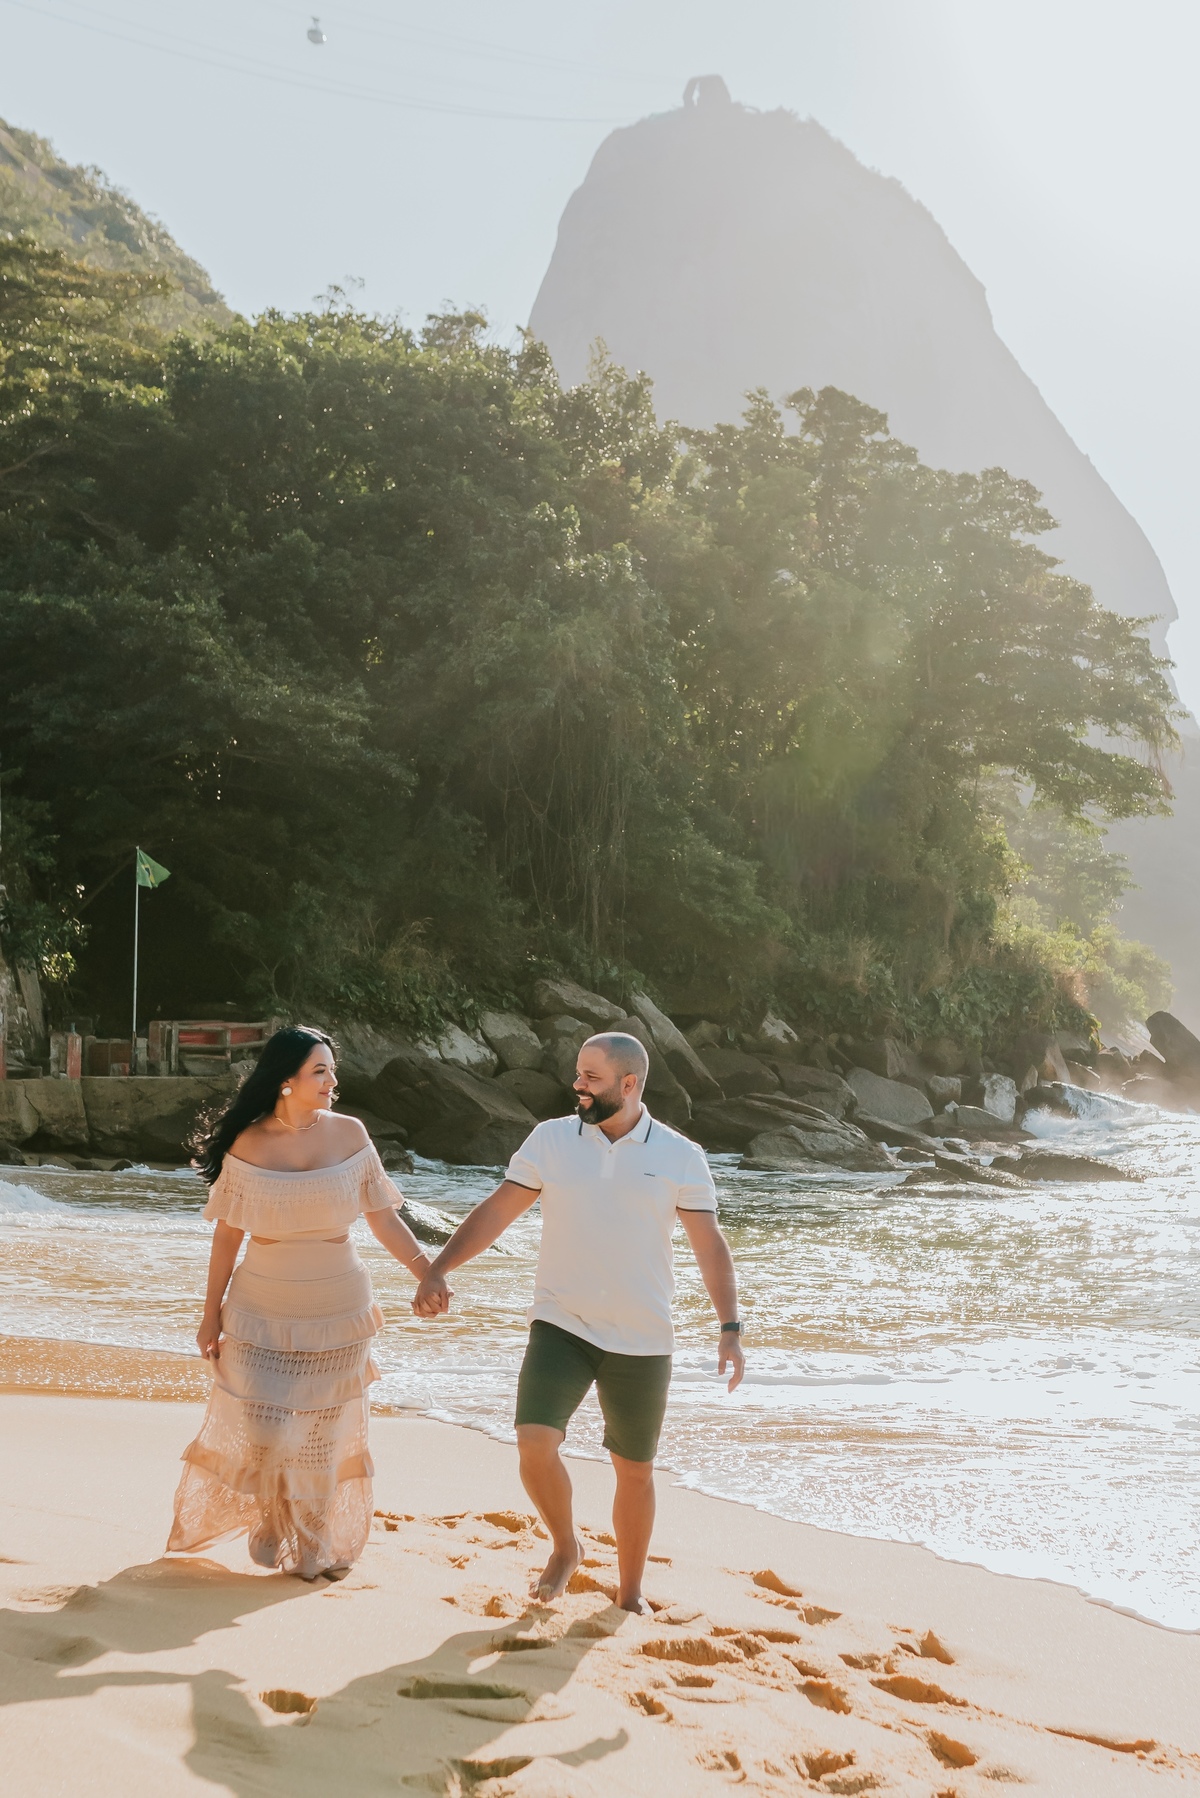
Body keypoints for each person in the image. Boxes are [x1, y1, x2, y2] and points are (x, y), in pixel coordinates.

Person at [413, 1031, 744, 1613]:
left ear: (629, 1084)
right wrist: (438, 1268)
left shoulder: (679, 1155)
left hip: (642, 1335)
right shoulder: (551, 1140)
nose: (578, 1085)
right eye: (578, 1073)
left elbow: (709, 1245)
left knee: (634, 1471)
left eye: (591, 1076)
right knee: (534, 1443)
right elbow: (498, 1211)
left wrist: (730, 1327)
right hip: (561, 1321)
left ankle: (631, 1591)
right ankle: (567, 1547)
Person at [167, 1025, 433, 1580]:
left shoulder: (351, 1134)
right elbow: (227, 1236)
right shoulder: (248, 1143)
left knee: (320, 1435)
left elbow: (383, 1217)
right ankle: (272, 1514)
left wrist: (425, 1272)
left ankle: (311, 1543)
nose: (333, 1080)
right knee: (265, 1429)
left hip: (339, 1308)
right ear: (285, 1081)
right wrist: (209, 1312)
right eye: (321, 1071)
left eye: (332, 1070)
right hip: (260, 1307)